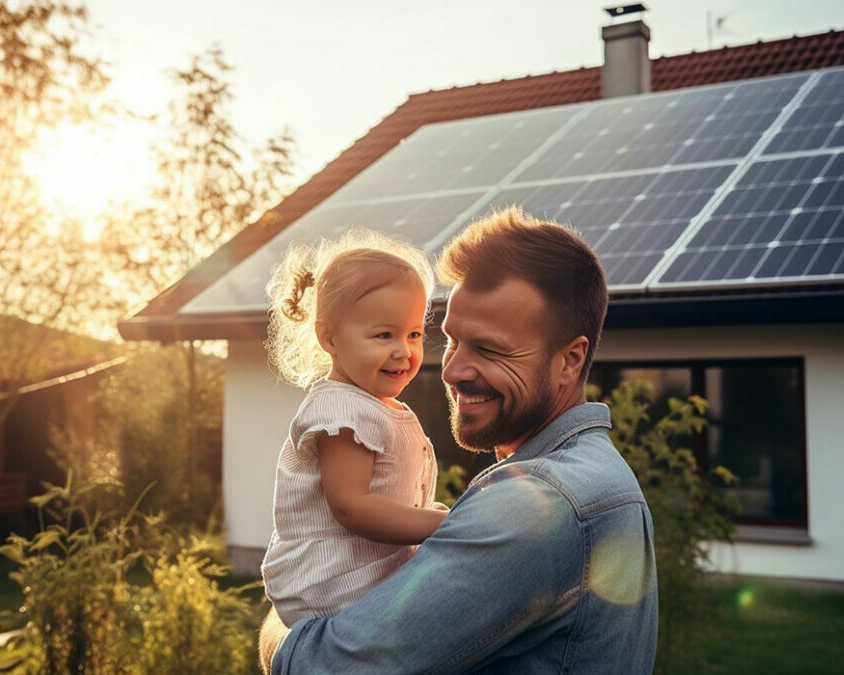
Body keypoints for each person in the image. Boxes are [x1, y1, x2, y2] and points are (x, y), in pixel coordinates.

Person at [261, 207, 658, 674]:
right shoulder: (592, 474)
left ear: (570, 360)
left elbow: (319, 666)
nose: (451, 370)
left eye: (489, 348)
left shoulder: (537, 506)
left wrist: (279, 625)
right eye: (451, 341)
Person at [261, 230, 448, 626]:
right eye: (384, 335)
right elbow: (353, 506)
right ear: (329, 336)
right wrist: (439, 525)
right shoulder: (342, 409)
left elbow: (386, 497)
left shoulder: (373, 406)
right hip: (334, 583)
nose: (404, 350)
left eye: (413, 334)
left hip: (358, 577)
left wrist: (427, 513)